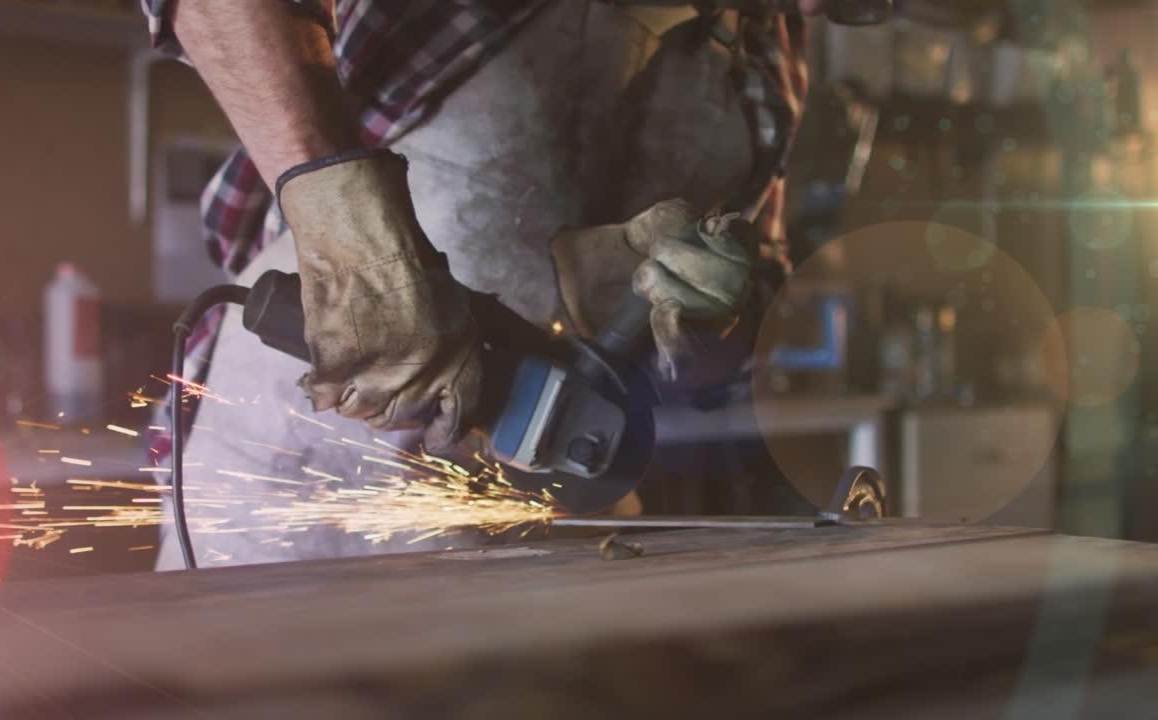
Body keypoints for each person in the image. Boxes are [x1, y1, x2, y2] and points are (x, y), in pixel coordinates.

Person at [141, 0, 823, 569]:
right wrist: (336, 211)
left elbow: (753, 291)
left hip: (559, 509)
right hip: (298, 481)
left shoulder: (773, 38)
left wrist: (702, 311)